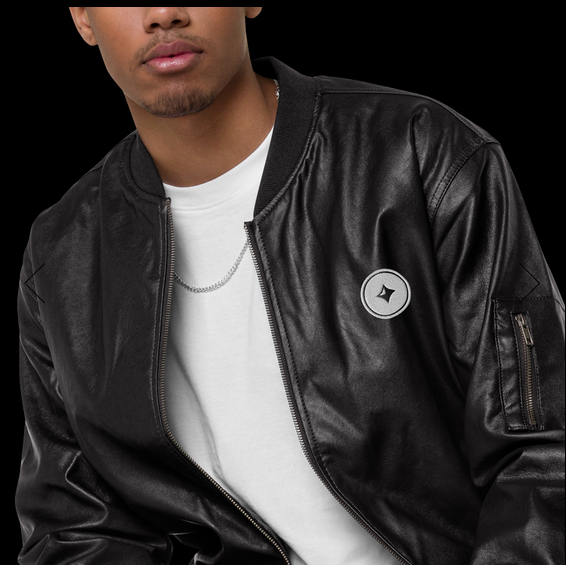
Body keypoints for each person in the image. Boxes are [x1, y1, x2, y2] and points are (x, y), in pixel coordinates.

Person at [15, 7, 564, 565]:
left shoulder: (417, 152)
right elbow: (78, 529)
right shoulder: (63, 257)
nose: (163, 14)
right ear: (83, 19)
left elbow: (541, 453)